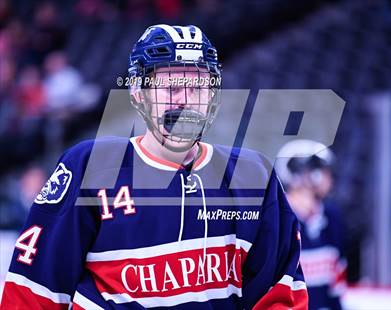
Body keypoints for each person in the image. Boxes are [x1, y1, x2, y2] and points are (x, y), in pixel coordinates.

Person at [0, 25, 308, 309]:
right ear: (138, 94)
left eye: (198, 87)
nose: (186, 101)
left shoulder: (252, 176)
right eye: (171, 87)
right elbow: (32, 293)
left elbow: (280, 294)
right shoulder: (90, 168)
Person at [276, 139, 347, 310]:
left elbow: (336, 286)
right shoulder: (277, 218)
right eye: (325, 171)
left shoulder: (331, 217)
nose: (330, 178)